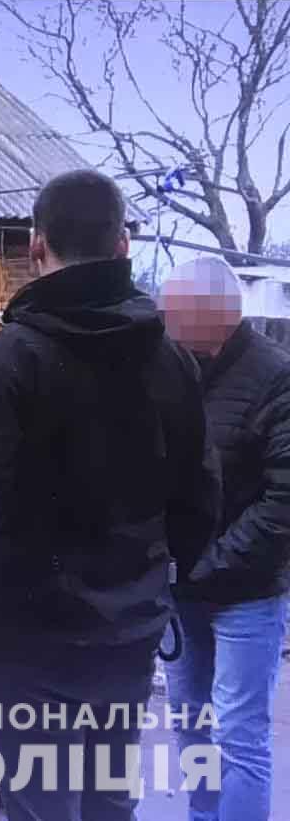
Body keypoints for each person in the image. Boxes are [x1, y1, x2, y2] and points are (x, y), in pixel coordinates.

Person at [0, 169, 219, 821]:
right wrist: (155, 586)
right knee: (108, 808)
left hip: (25, 650)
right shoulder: (171, 363)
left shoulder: (8, 362)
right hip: (125, 640)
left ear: (36, 248)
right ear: (123, 246)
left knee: (38, 809)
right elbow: (200, 498)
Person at [159, 256, 290, 821]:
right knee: (190, 723)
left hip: (248, 593)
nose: (162, 322)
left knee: (239, 733)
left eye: (172, 313)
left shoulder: (277, 378)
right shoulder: (172, 372)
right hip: (183, 590)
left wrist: (211, 564)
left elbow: (283, 502)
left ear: (213, 314)